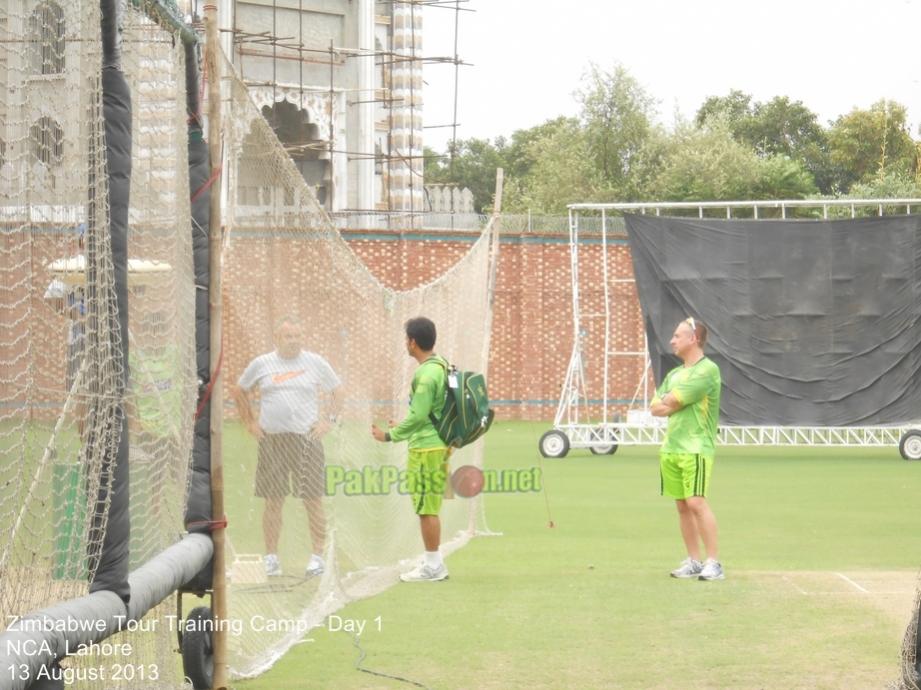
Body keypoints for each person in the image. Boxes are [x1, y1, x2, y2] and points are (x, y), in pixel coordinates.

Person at [233, 316, 342, 578]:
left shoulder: (314, 362)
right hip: (273, 441)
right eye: (288, 336)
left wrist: (328, 421)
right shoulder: (262, 364)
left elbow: (337, 391)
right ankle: (271, 557)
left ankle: (317, 556)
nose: (294, 341)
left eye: (297, 336)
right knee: (273, 501)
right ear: (277, 339)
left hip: (307, 440)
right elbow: (240, 390)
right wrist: (250, 422)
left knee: (313, 500)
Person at [371, 316, 450, 583]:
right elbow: (427, 413)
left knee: (427, 508)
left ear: (413, 342)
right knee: (427, 506)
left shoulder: (426, 374)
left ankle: (433, 566)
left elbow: (419, 418)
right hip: (435, 444)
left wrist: (390, 435)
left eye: (407, 339)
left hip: (427, 449)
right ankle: (433, 562)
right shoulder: (441, 365)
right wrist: (406, 423)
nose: (406, 344)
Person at [650, 316, 724, 581]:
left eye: (677, 336)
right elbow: (656, 407)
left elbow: (675, 399)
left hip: (696, 447)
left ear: (693, 339)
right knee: (682, 505)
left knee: (696, 502)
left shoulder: (707, 370)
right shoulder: (674, 374)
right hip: (671, 447)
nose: (672, 340)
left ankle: (713, 562)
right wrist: (672, 401)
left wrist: (673, 400)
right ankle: (694, 561)